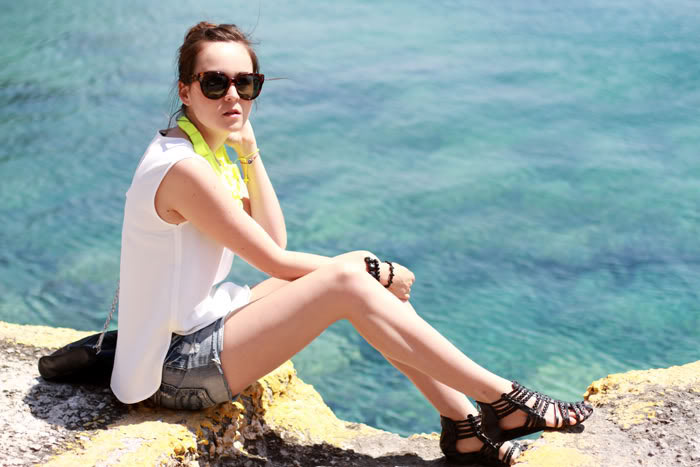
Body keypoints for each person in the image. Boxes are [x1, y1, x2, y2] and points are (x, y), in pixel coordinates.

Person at [111, 21, 592, 466]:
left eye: (246, 83)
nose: (233, 95)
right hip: (175, 368)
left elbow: (274, 238)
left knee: (357, 268)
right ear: (186, 90)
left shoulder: (206, 152)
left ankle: (464, 425)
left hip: (200, 329)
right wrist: (375, 272)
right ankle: (503, 398)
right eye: (215, 83)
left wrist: (249, 150)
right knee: (352, 277)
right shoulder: (184, 169)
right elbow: (274, 259)